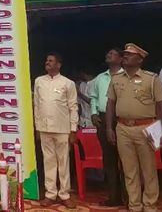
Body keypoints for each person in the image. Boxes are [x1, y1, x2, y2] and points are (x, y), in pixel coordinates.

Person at [106, 43, 162, 212]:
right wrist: (108, 128)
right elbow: (110, 105)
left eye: (129, 54)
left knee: (148, 170)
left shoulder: (151, 79)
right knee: (129, 170)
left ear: (140, 59)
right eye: (124, 54)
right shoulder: (116, 79)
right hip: (122, 128)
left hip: (145, 128)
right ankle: (134, 205)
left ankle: (150, 205)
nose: (125, 56)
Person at [33, 53, 78, 208]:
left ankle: (64, 194)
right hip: (44, 128)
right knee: (48, 162)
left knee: (63, 162)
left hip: (63, 129)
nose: (47, 62)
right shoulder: (39, 81)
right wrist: (38, 127)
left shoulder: (68, 83)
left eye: (51, 61)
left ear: (59, 65)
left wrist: (73, 130)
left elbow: (73, 107)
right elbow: (37, 106)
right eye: (46, 60)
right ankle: (50, 194)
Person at [89, 48, 125, 206]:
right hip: (103, 120)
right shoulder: (100, 78)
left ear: (121, 59)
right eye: (107, 54)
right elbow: (94, 97)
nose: (108, 55)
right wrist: (93, 113)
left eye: (112, 54)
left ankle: (131, 197)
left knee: (127, 160)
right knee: (109, 160)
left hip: (123, 119)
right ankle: (114, 197)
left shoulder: (126, 76)